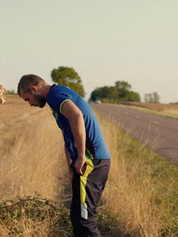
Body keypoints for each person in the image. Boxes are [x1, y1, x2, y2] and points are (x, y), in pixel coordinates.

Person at [17, 74, 111, 236]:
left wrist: (81, 156)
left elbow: (76, 116)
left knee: (84, 221)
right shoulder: (58, 94)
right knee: (78, 217)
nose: (30, 104)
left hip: (91, 162)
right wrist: (70, 168)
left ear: (34, 89)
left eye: (27, 99)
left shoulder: (54, 95)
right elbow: (68, 135)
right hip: (91, 162)